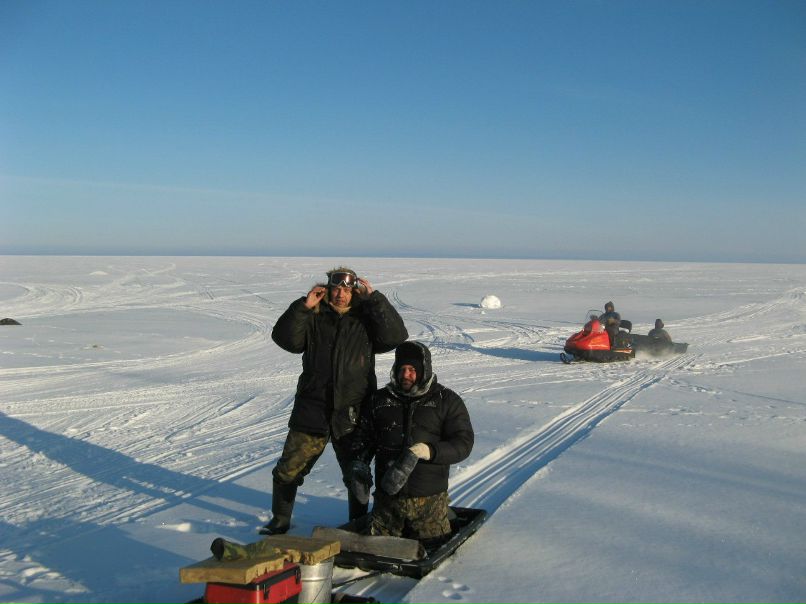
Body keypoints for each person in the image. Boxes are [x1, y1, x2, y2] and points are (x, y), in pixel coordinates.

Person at [264, 267, 408, 535]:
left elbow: (395, 336)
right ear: (327, 289)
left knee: (357, 473)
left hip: (353, 412)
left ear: (355, 292)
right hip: (313, 408)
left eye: (347, 290)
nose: (341, 295)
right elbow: (285, 340)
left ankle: (357, 523)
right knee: (288, 470)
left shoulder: (365, 319)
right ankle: (280, 520)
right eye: (336, 289)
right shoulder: (315, 316)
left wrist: (375, 299)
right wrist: (304, 306)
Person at [350, 341, 474, 542]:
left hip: (428, 500)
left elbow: (464, 443)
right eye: (402, 369)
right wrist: (359, 464)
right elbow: (362, 438)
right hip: (387, 500)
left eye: (412, 369)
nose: (406, 374)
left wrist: (431, 451)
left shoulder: (446, 400)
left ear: (424, 371)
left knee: (432, 547)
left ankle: (446, 517)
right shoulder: (379, 400)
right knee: (377, 549)